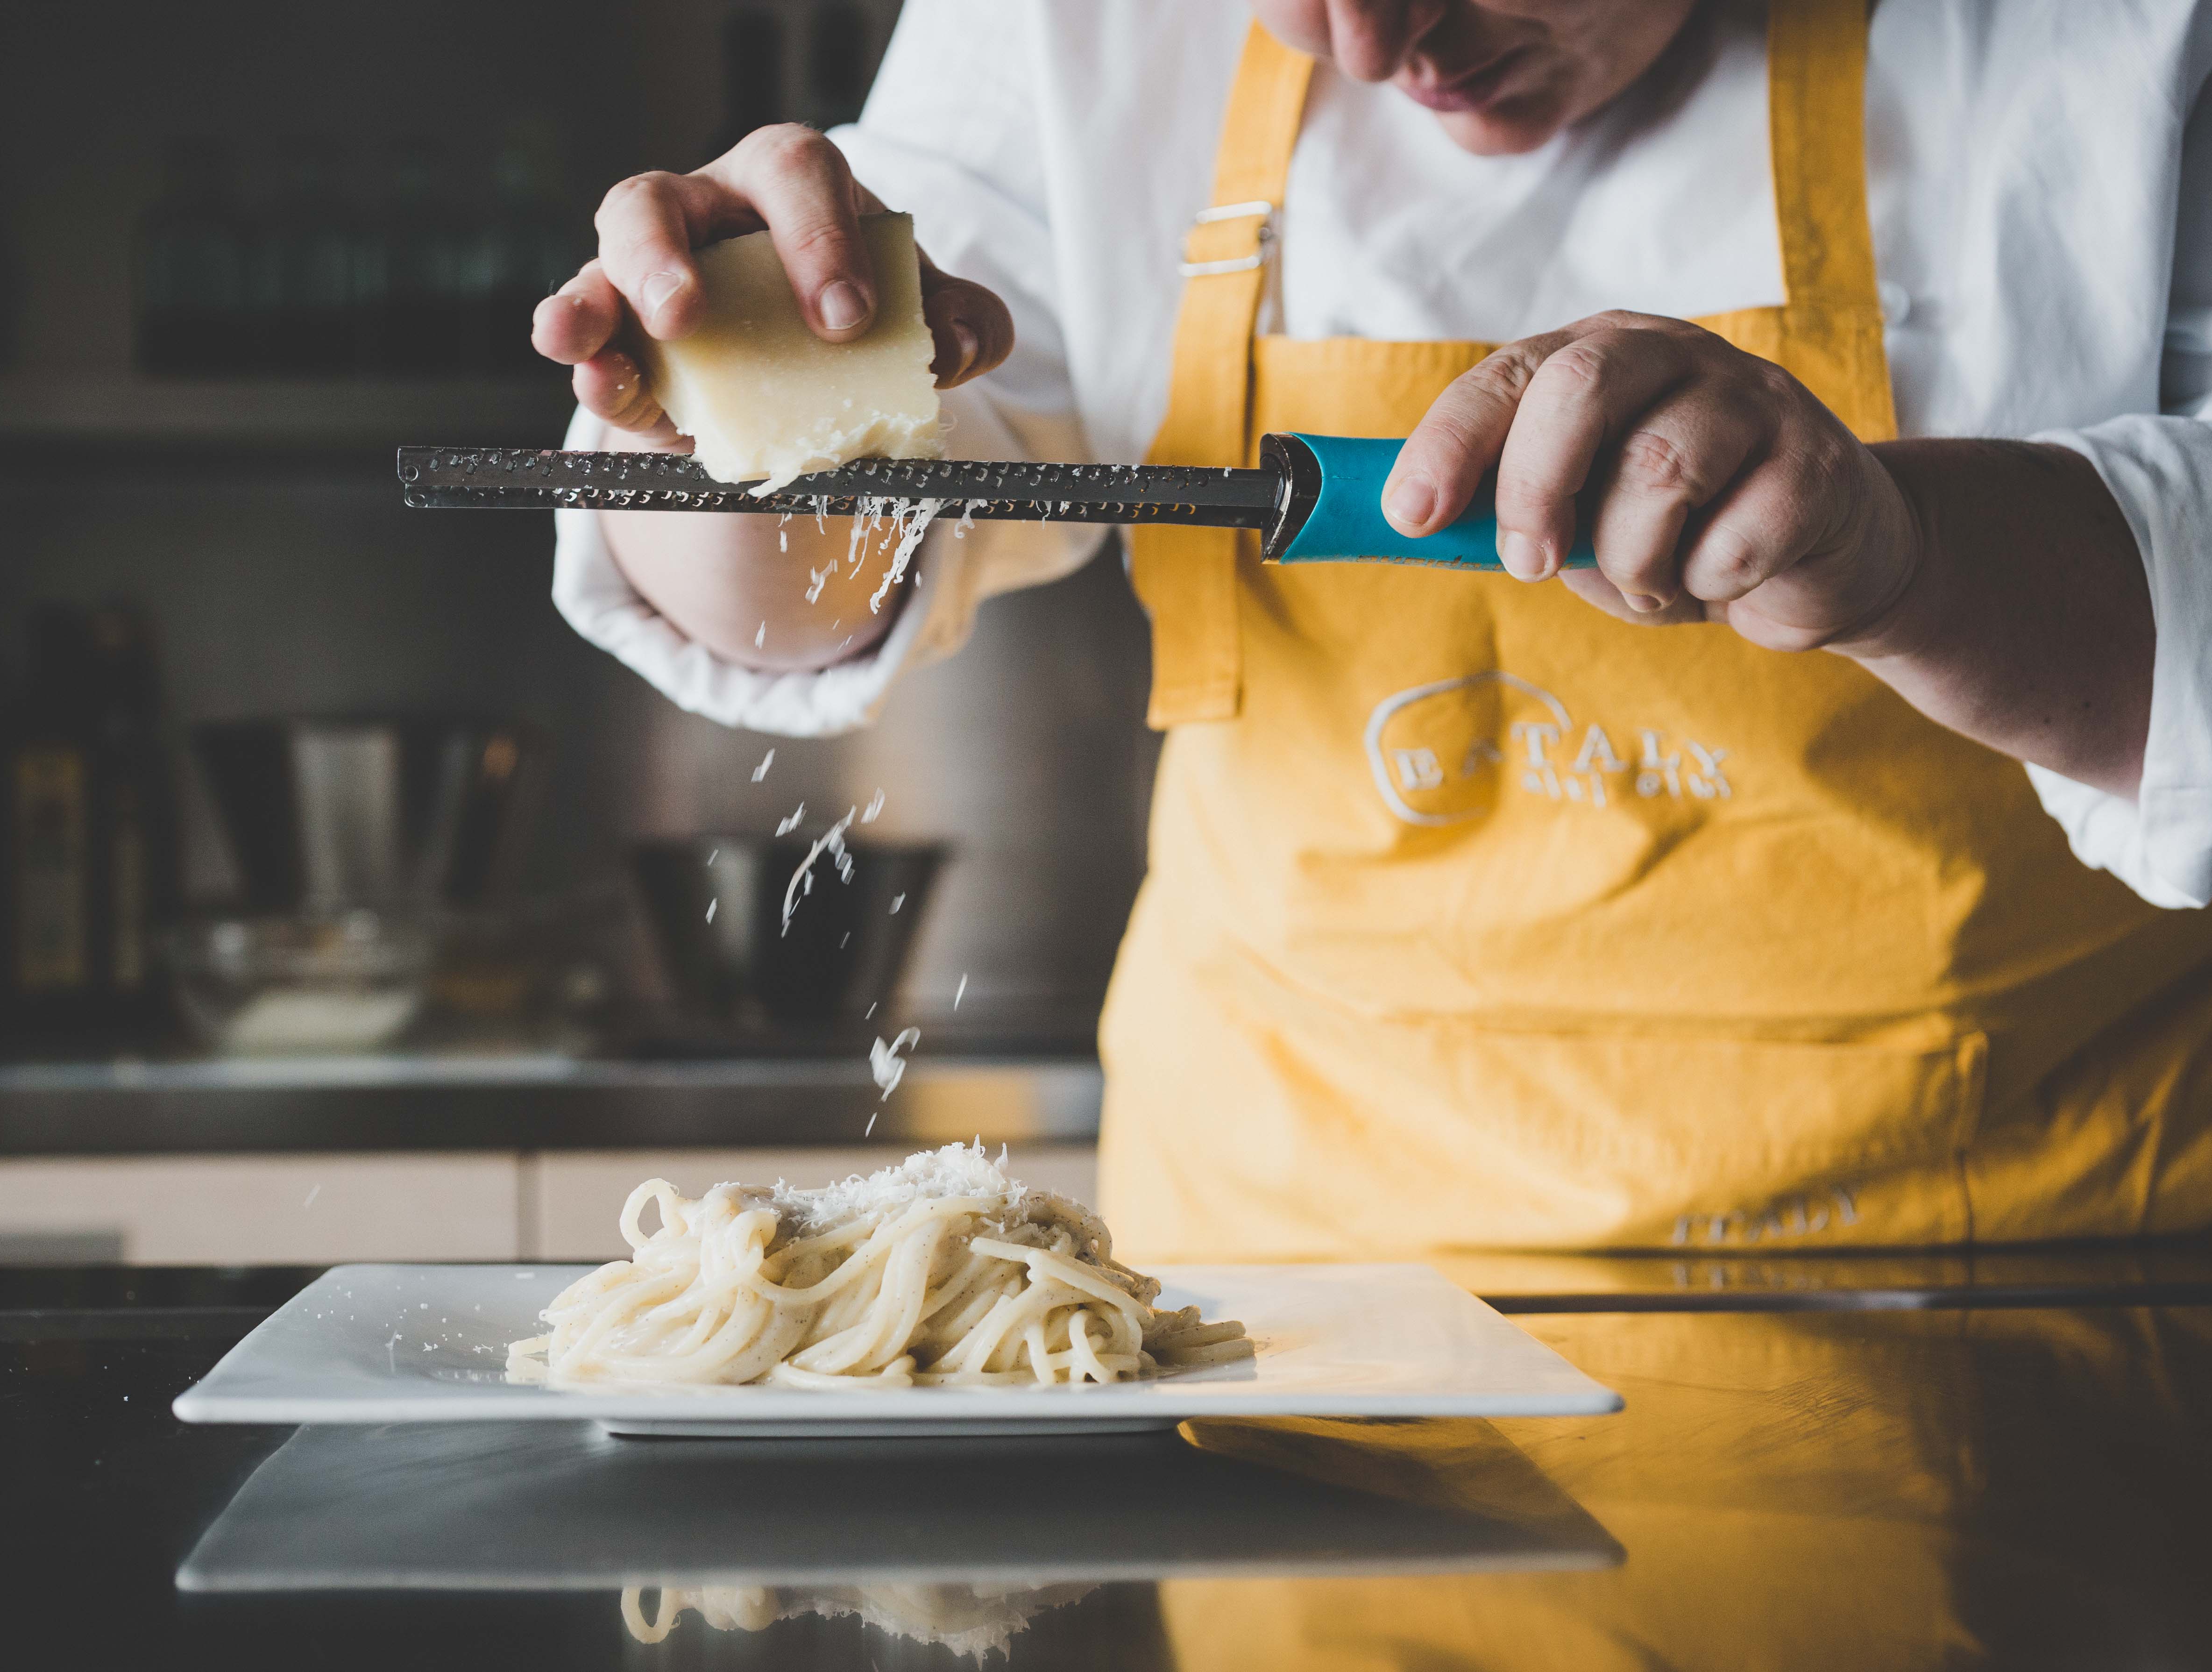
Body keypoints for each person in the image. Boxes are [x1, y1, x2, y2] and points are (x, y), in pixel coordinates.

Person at [538, 0, 2212, 1258]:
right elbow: (822, 569)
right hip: (1280, 1323)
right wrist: (726, 394)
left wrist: (1904, 557)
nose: (1365, 40)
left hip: (2007, 1307)